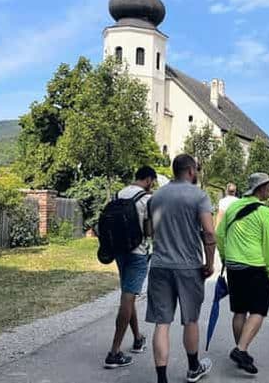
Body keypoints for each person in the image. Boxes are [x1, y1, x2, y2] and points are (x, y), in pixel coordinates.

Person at [147, 155, 216, 383]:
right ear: (190, 170)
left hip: (160, 265)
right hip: (188, 267)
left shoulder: (156, 196)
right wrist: (209, 263)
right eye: (196, 169)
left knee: (162, 323)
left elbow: (149, 231)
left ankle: (161, 379)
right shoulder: (199, 196)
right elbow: (209, 233)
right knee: (190, 320)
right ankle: (193, 368)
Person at [216, 172, 269, 375]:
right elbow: (268, 244)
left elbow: (219, 234)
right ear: (261, 188)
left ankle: (241, 352)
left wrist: (225, 257)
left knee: (239, 311)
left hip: (234, 266)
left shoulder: (233, 207)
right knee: (259, 310)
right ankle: (241, 349)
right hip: (255, 266)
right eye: (268, 187)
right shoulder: (264, 211)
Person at [104, 165, 156, 370]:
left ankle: (137, 339)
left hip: (119, 251)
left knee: (128, 293)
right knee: (128, 297)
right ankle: (114, 352)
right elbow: (149, 232)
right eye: (153, 181)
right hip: (137, 253)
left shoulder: (118, 194)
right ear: (149, 179)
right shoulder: (147, 199)